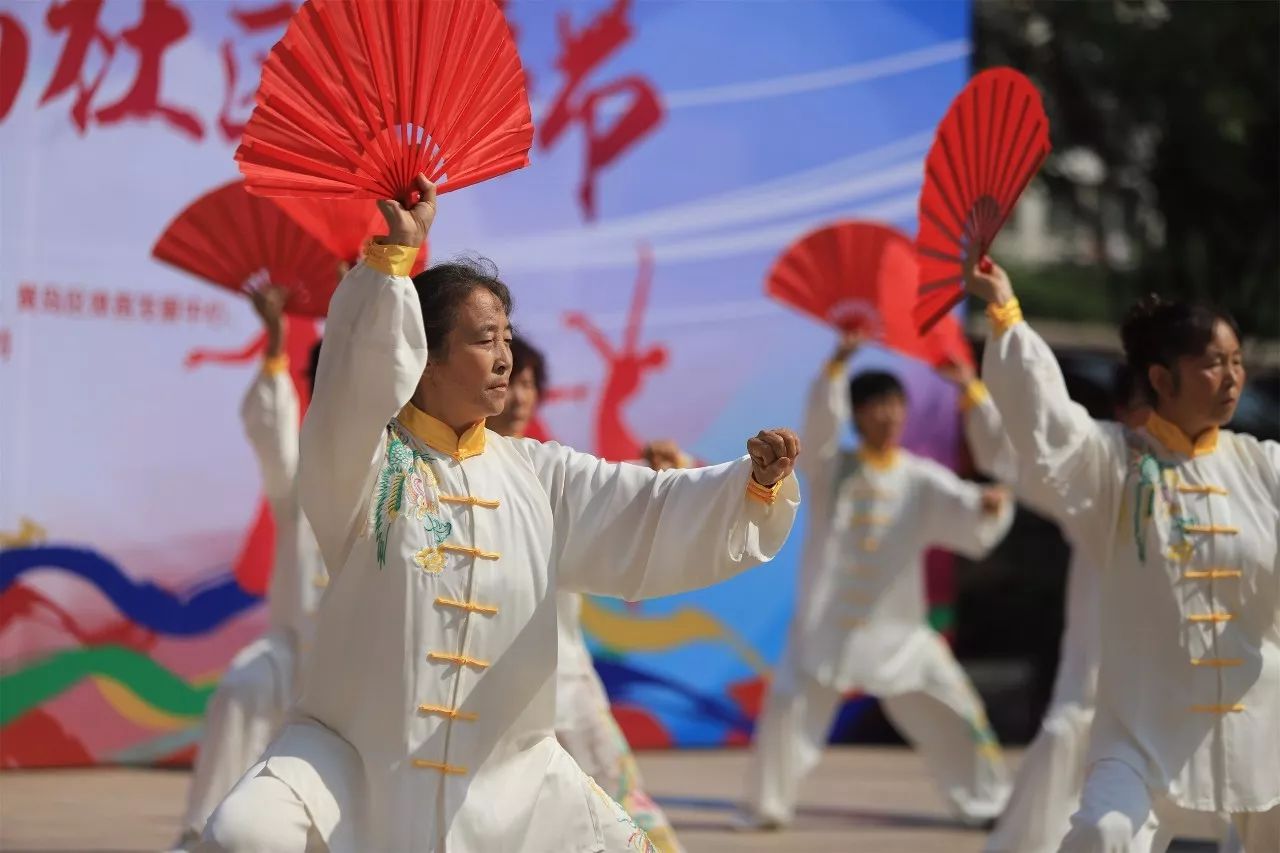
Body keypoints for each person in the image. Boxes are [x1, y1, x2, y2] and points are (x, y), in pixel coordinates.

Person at [198, 176, 802, 853]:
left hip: (510, 779)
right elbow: (349, 387)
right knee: (243, 834)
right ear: (425, 358)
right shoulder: (365, 469)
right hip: (353, 763)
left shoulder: (536, 474)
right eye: (486, 339)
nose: (507, 358)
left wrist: (750, 483)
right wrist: (394, 258)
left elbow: (646, 508)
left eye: (508, 337)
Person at [966, 258, 1278, 853]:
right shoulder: (1116, 463)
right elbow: (1047, 422)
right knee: (1104, 832)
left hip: (1262, 716)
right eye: (1213, 363)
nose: (1233, 377)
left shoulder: (1264, 467)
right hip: (1143, 724)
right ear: (1161, 379)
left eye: (1237, 361)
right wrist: (1005, 310)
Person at [743, 331, 1015, 830]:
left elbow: (971, 509)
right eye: (876, 406)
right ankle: (769, 806)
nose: (888, 415)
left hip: (901, 635)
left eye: (895, 405)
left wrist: (987, 503)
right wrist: (838, 362)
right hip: (828, 629)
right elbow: (819, 430)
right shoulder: (831, 470)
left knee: (957, 709)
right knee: (787, 712)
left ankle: (986, 803)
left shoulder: (918, 477)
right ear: (858, 413)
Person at [493, 335, 686, 853]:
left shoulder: (555, 472)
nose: (518, 395)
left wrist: (658, 485)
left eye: (529, 383)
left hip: (571, 690)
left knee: (625, 813)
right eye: (509, 381)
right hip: (494, 699)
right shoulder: (447, 477)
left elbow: (612, 512)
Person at [171, 286, 327, 852]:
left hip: (362, 668)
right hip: (291, 653)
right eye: (329, 378)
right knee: (240, 688)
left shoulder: (404, 469)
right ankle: (199, 836)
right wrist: (278, 344)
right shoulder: (302, 474)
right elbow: (273, 433)